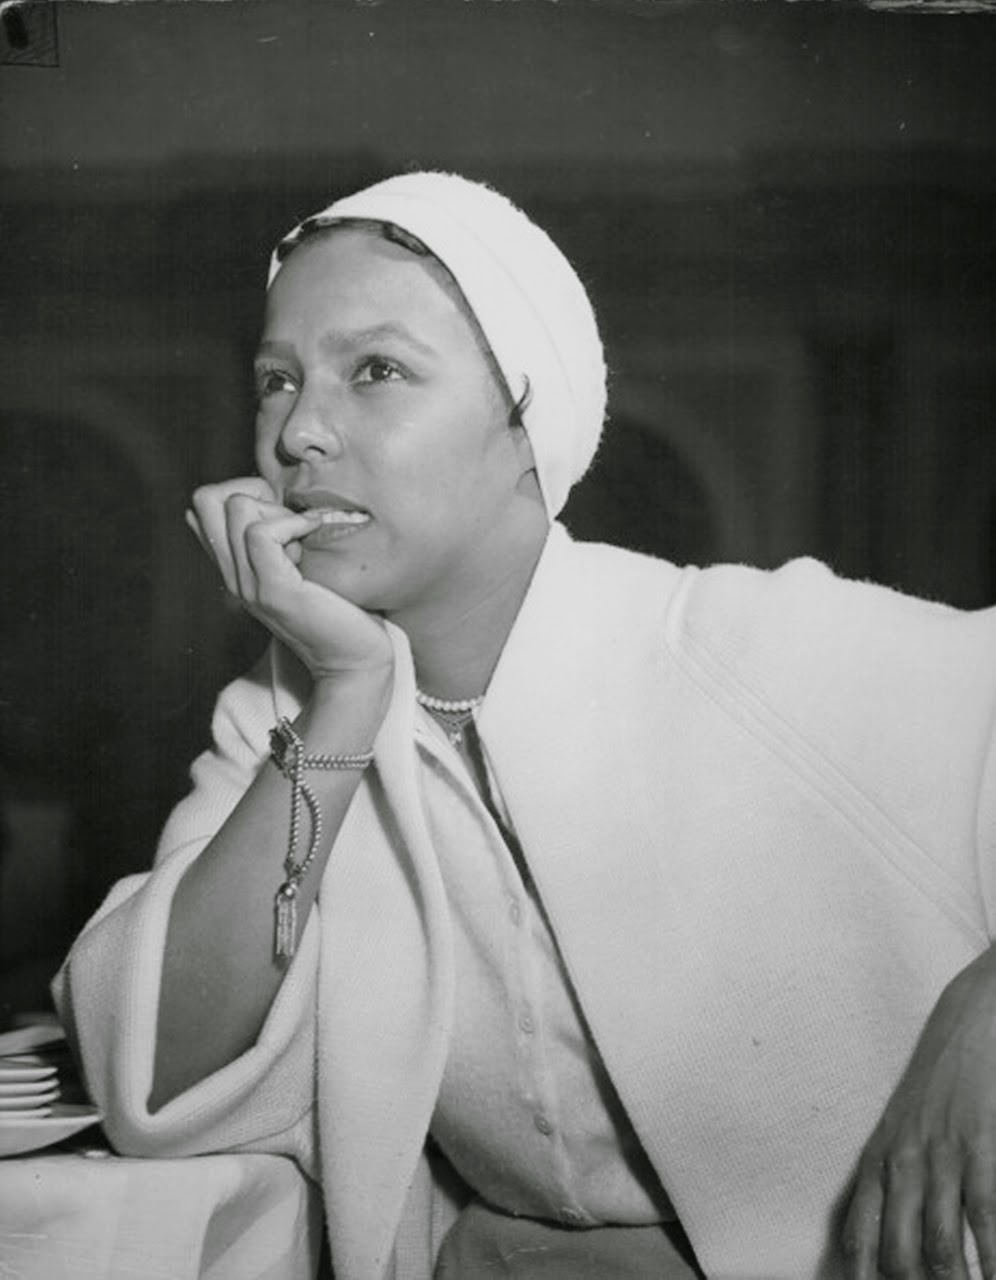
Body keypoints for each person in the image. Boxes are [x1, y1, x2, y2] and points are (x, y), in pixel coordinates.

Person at [54, 171, 996, 1280]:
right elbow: (151, 1065)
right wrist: (346, 694)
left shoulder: (754, 648)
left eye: (377, 370)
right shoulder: (288, 710)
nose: (298, 432)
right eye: (277, 379)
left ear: (526, 417)